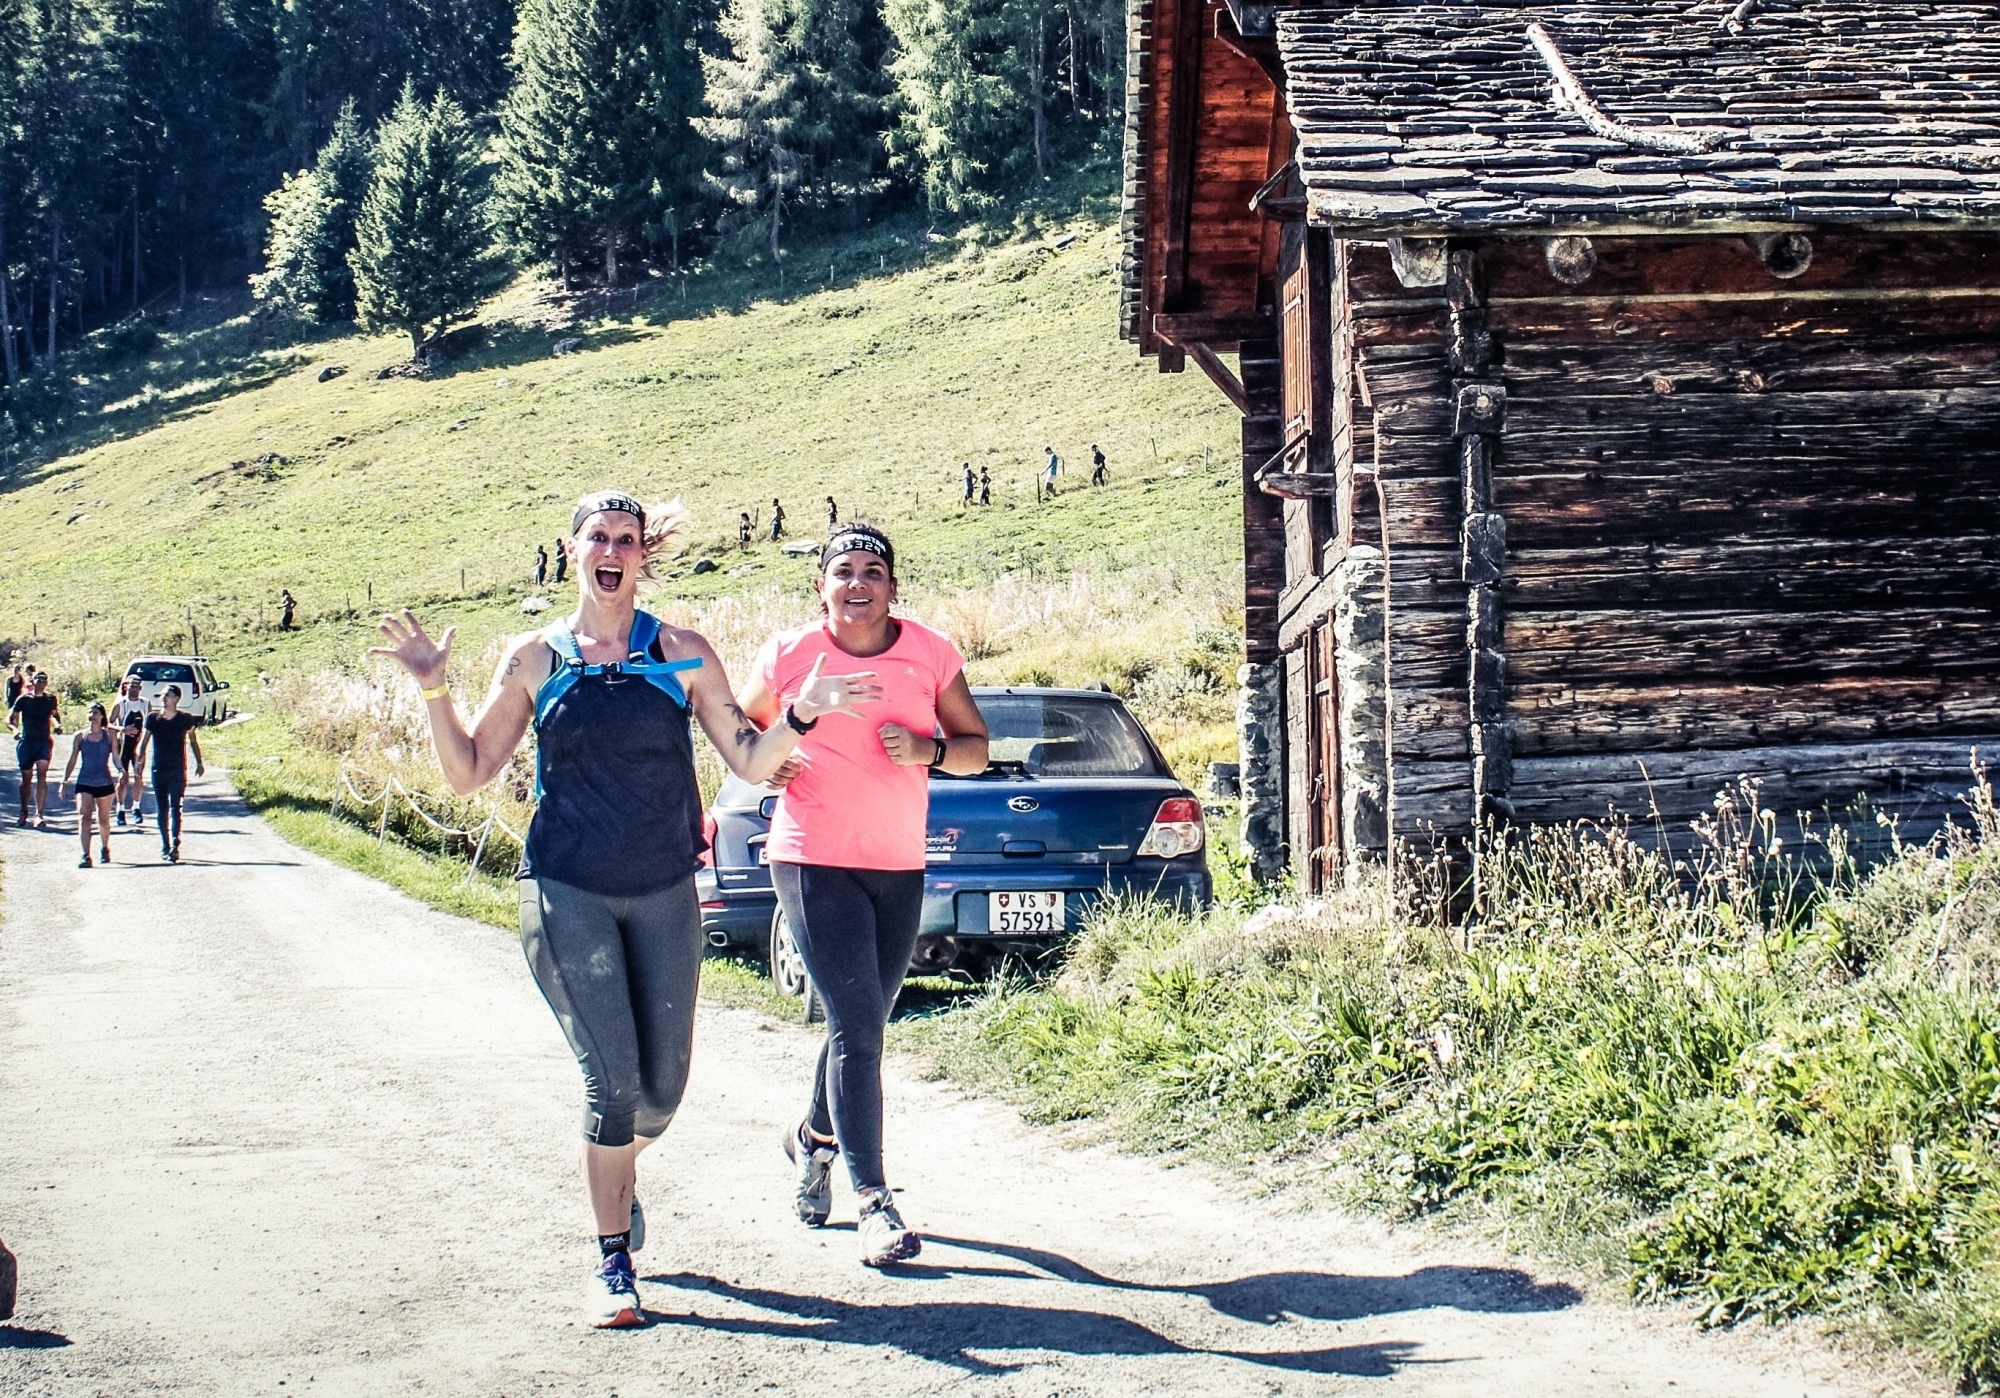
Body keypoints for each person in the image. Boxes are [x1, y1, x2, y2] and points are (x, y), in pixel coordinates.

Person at [370, 490, 876, 1329]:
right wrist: (434, 692)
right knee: (610, 1085)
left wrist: (801, 716)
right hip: (566, 890)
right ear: (572, 552)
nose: (613, 551)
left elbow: (749, 762)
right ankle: (614, 1261)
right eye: (597, 538)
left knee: (662, 1092)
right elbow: (467, 773)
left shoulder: (683, 654)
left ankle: (613, 1169)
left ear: (645, 556)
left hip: (665, 889)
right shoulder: (535, 658)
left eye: (627, 540)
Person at [739, 523, 989, 1267]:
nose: (858, 583)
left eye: (873, 570)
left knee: (864, 1024)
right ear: (821, 585)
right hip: (812, 858)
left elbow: (976, 751)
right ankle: (873, 1202)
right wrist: (773, 758)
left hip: (897, 864)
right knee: (857, 1027)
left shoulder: (932, 653)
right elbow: (737, 726)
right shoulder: (789, 654)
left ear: (893, 586)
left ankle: (809, 1139)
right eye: (843, 570)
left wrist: (928, 751)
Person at [137, 685, 203, 862]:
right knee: (162, 809)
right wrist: (139, 760)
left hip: (177, 769)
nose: (164, 698)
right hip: (159, 769)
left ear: (177, 699)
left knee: (176, 807)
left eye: (168, 695)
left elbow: (193, 741)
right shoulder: (153, 719)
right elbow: (144, 742)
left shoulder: (185, 719)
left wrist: (199, 762)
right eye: (163, 695)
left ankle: (175, 842)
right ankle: (165, 844)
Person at [59, 703, 118, 868]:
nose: (93, 715)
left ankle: (105, 847)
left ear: (102, 716)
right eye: (90, 712)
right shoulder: (80, 736)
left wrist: (121, 770)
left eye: (96, 712)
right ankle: (85, 855)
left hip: (104, 781)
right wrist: (64, 781)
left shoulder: (110, 736)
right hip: (84, 781)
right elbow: (72, 759)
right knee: (84, 817)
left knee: (103, 819)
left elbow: (116, 756)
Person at [9, 672, 61, 827]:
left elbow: (53, 716)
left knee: (42, 774)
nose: (40, 682)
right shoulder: (24, 699)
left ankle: (39, 815)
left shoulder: (50, 699)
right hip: (27, 741)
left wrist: (57, 725)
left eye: (44, 680)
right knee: (26, 780)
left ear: (46, 683)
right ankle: (24, 810)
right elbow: (10, 718)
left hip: (43, 741)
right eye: (38, 679)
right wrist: (14, 730)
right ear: (33, 681)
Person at [113, 678, 149, 827]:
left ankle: (136, 807)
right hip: (123, 746)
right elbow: (107, 723)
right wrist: (122, 729)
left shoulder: (145, 703)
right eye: (131, 685)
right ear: (126, 686)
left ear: (140, 688)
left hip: (139, 747)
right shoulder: (121, 704)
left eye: (136, 686)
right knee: (123, 778)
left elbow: (149, 723)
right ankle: (120, 809)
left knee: (139, 776)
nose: (134, 688)